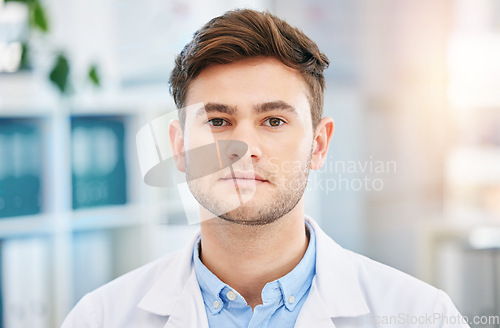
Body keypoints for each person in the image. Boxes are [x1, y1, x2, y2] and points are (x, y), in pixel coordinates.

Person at [62, 9, 469, 328]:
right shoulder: (99, 319)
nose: (244, 148)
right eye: (218, 121)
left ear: (318, 145)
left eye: (274, 121)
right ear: (180, 147)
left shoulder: (425, 316)